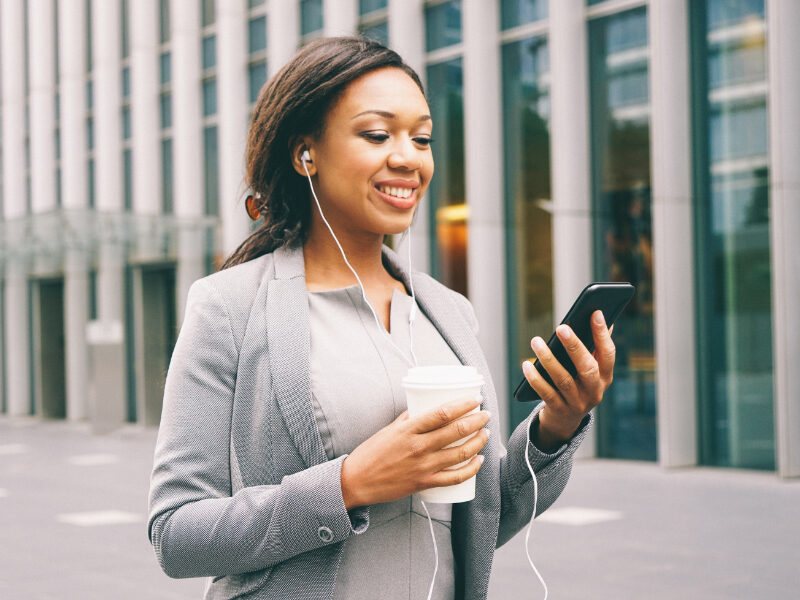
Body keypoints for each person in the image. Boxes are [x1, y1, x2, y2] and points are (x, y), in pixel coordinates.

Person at [147, 36, 616, 600]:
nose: (409, 157)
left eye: (422, 138)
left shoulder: (448, 311)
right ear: (306, 154)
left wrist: (556, 427)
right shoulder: (228, 306)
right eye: (377, 134)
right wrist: (350, 485)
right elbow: (176, 533)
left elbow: (481, 520)